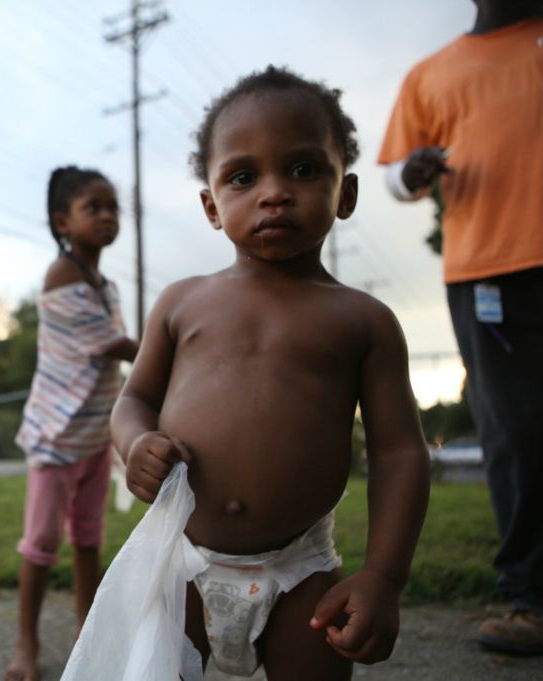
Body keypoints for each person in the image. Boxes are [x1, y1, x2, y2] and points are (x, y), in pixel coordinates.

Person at [97, 66, 430, 680]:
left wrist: (384, 578)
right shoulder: (180, 303)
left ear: (346, 193)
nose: (274, 192)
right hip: (183, 567)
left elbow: (400, 454)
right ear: (212, 206)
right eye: (244, 177)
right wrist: (135, 441)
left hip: (300, 573)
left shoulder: (363, 321)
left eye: (304, 169)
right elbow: (132, 401)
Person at [377, 1, 543, 656]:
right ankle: (529, 596)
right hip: (488, 273)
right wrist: (411, 174)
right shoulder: (431, 74)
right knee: (516, 430)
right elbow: (395, 174)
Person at [5, 165, 139, 681]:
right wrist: (178, 348)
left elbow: (118, 350)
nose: (107, 216)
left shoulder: (106, 285)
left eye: (113, 208)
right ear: (63, 221)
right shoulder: (61, 276)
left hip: (92, 439)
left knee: (88, 540)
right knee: (40, 546)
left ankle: (90, 639)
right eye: (94, 208)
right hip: (55, 440)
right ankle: (26, 647)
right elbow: (114, 346)